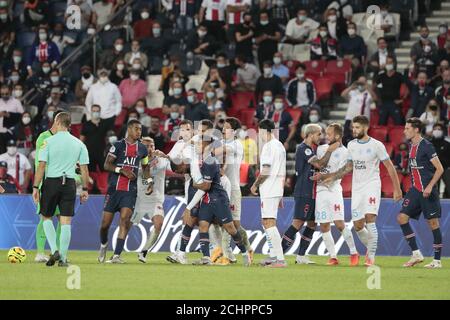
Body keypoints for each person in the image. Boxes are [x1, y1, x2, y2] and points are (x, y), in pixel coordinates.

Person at [313, 115, 402, 266]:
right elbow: (348, 167)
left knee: (370, 219)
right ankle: (371, 247)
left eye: (357, 127)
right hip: (358, 189)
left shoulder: (376, 145)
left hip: (372, 186)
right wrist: (333, 177)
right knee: (358, 226)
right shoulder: (352, 145)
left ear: (366, 128)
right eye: (353, 127)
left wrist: (397, 188)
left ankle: (371, 258)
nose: (354, 130)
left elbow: (389, 166)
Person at [32, 112, 90, 267]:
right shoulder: (79, 144)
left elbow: (41, 166)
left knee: (46, 217)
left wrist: (35, 187)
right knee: (65, 222)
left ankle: (54, 249)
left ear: (57, 122)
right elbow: (84, 169)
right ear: (69, 124)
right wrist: (85, 189)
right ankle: (63, 258)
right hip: (70, 183)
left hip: (51, 182)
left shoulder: (48, 142)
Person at [280, 124, 339, 265]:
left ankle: (301, 256)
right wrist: (330, 151)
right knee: (298, 223)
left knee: (312, 224)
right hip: (304, 191)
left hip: (313, 193)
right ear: (311, 134)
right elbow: (319, 164)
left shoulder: (311, 149)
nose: (321, 137)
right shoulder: (303, 148)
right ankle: (278, 254)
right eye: (319, 134)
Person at [97, 120, 150, 264]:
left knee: (125, 220)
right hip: (114, 190)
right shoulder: (118, 145)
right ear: (129, 129)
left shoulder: (143, 149)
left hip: (130, 191)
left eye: (140, 129)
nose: (139, 132)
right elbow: (106, 164)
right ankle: (103, 245)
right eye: (137, 129)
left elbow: (145, 167)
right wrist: (122, 171)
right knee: (104, 225)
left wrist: (149, 182)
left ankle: (116, 255)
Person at [398, 118, 445, 269]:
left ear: (416, 129)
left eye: (407, 128)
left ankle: (437, 261)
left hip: (427, 191)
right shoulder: (411, 146)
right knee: (402, 218)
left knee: (433, 223)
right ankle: (416, 254)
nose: (405, 131)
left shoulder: (427, 146)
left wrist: (430, 186)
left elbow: (440, 169)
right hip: (415, 190)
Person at [314, 123, 359, 266]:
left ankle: (353, 252)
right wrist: (320, 175)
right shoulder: (321, 148)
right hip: (321, 191)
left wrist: (330, 177)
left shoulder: (345, 152)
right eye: (326, 134)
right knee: (324, 225)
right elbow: (319, 165)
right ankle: (333, 257)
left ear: (338, 136)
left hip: (334, 191)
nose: (326, 137)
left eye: (329, 134)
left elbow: (345, 170)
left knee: (339, 224)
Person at [211, 117, 253, 264]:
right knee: (218, 222)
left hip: (233, 188)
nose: (223, 129)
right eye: (223, 127)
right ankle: (227, 255)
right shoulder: (221, 142)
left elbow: (219, 150)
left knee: (234, 224)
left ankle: (247, 248)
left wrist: (207, 150)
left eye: (227, 127)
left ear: (234, 131)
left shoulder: (237, 145)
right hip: (219, 187)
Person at [250, 119, 286, 268]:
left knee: (268, 222)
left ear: (264, 131)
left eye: (259, 132)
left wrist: (255, 185)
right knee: (269, 222)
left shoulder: (268, 147)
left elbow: (265, 170)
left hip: (269, 188)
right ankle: (273, 256)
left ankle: (280, 259)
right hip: (276, 188)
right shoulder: (280, 146)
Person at [132, 137, 171, 263]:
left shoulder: (161, 160)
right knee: (126, 225)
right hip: (139, 200)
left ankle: (144, 252)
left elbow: (177, 168)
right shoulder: (135, 161)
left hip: (156, 200)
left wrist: (166, 156)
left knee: (158, 224)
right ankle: (117, 254)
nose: (149, 149)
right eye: (146, 146)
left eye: (152, 146)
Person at [32, 110, 64, 263]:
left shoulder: (65, 139)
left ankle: (56, 251)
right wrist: (37, 186)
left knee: (61, 218)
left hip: (62, 184)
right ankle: (40, 252)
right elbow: (40, 162)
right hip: (47, 183)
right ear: (57, 121)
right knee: (45, 216)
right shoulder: (44, 137)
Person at [341, 76, 377, 144]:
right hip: (350, 118)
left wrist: (368, 88)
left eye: (362, 83)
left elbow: (375, 98)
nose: (361, 84)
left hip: (362, 120)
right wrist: (351, 87)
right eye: (359, 82)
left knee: (361, 139)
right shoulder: (353, 92)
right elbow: (343, 94)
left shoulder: (368, 93)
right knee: (347, 138)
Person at [374, 57, 406, 125]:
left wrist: (402, 99)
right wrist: (378, 99)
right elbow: (373, 86)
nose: (389, 64)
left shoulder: (399, 75)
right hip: (384, 103)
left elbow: (407, 88)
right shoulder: (381, 75)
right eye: (387, 62)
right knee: (381, 123)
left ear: (394, 63)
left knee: (399, 122)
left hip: (394, 103)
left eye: (390, 62)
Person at [80, 104, 109, 173]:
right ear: (91, 112)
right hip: (89, 153)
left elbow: (108, 138)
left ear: (100, 112)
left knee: (104, 172)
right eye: (94, 111)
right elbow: (81, 139)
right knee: (90, 173)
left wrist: (107, 150)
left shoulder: (104, 124)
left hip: (102, 152)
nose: (96, 113)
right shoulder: (86, 124)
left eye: (97, 111)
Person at [430, 123, 450, 198]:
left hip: (445, 168)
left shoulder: (447, 144)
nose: (437, 131)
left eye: (439, 129)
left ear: (442, 131)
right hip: (433, 169)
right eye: (435, 129)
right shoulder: (428, 144)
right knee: (433, 190)